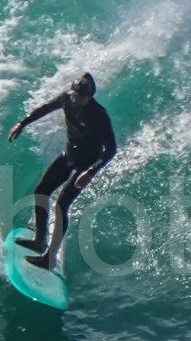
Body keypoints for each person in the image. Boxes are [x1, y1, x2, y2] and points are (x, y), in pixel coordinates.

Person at [6, 71, 116, 269]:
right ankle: (39, 241)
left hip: (86, 164)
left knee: (61, 204)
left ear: (89, 97)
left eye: (80, 97)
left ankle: (50, 258)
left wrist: (90, 172)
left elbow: (111, 149)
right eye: (73, 95)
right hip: (69, 156)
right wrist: (22, 123)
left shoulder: (99, 115)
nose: (75, 99)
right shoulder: (66, 99)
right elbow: (45, 109)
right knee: (41, 191)